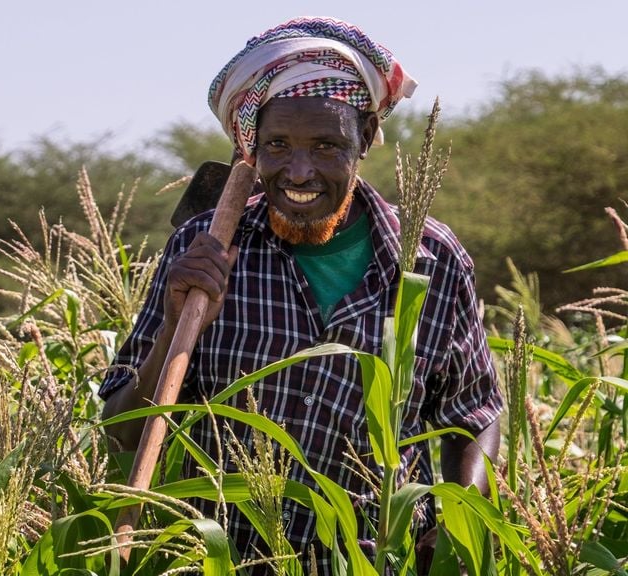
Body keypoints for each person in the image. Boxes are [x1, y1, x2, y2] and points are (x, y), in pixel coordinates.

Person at [99, 16, 503, 574]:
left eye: (326, 146)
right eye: (278, 145)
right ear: (253, 148)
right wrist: (175, 326)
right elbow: (123, 433)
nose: (299, 171)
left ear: (365, 137)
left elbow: (474, 415)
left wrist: (461, 524)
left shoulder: (430, 260)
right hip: (217, 559)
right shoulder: (205, 248)